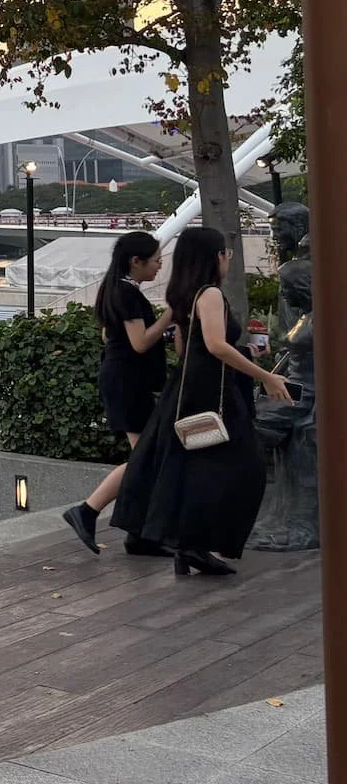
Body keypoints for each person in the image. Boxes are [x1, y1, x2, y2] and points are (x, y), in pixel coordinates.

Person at [111, 225, 293, 576]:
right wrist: (266, 375)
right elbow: (214, 345)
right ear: (214, 258)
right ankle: (196, 545)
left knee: (198, 469)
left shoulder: (187, 294)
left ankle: (190, 546)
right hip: (213, 392)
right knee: (246, 468)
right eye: (225, 253)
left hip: (190, 388)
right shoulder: (209, 294)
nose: (228, 259)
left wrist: (241, 353)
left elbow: (184, 347)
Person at [63, 232, 175, 556]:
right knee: (145, 458)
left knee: (146, 459)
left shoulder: (118, 289)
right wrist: (171, 313)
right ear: (135, 261)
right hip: (128, 382)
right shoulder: (126, 293)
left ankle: (137, 533)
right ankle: (87, 510)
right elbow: (140, 342)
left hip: (125, 379)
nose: (159, 267)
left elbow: (114, 337)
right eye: (155, 261)